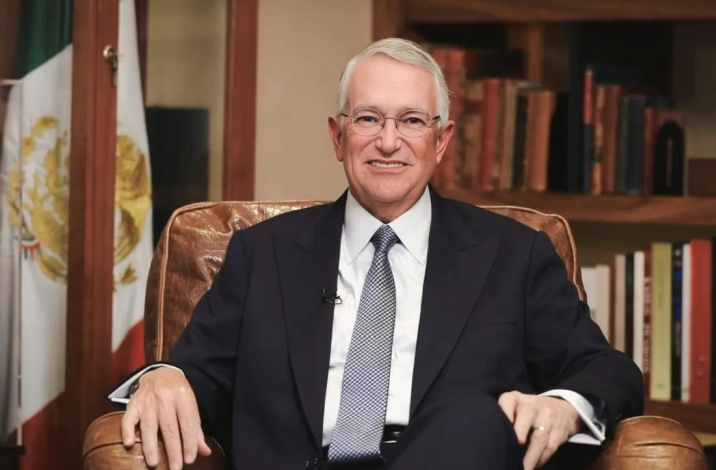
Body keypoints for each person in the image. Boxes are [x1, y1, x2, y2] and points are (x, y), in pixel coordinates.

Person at [108, 38, 643, 470]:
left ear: (442, 140)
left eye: (412, 120)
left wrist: (562, 406)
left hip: (450, 457)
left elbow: (605, 369)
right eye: (368, 119)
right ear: (337, 136)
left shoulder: (514, 254)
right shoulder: (262, 253)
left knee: (474, 420)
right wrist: (164, 375)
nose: (388, 142)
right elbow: (198, 374)